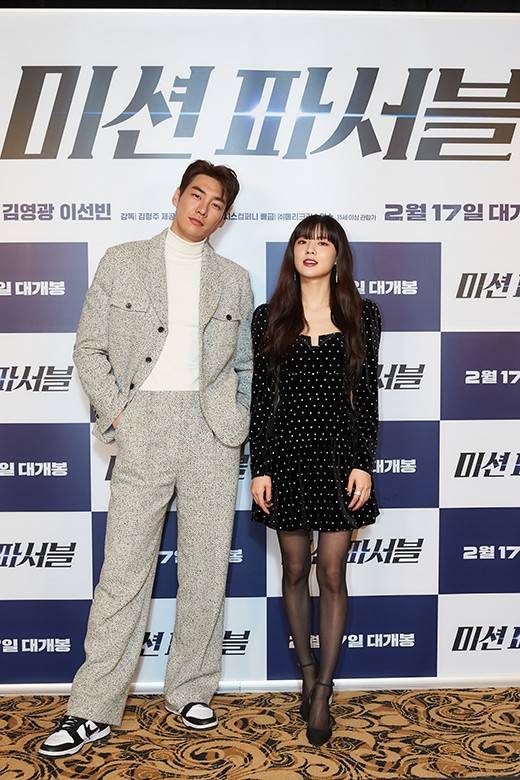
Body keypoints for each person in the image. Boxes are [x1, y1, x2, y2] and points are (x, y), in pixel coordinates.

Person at [39, 160, 254, 758]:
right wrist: (119, 416)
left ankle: (191, 689)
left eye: (216, 204)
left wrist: (235, 421)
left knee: (205, 569)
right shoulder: (122, 260)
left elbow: (244, 364)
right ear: (177, 195)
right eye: (196, 195)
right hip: (143, 423)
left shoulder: (235, 279)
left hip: (211, 433)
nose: (203, 209)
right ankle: (91, 708)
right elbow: (89, 347)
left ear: (224, 217)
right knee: (123, 572)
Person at [249, 214, 381, 747]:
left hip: (339, 458)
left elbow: (366, 394)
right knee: (294, 569)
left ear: (337, 256)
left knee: (331, 572)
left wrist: (363, 462)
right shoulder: (269, 317)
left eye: (323, 244)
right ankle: (305, 672)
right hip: (286, 457)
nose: (311, 249)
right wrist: (261, 466)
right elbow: (262, 398)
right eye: (303, 241)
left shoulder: (362, 315)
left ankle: (323, 691)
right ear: (293, 252)